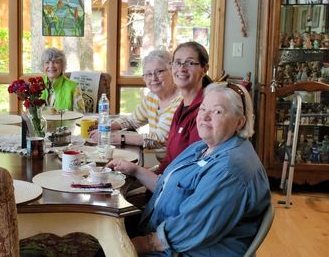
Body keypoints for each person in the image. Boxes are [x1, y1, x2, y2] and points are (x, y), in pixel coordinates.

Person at [107, 83, 271, 256]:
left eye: (217, 112)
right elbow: (170, 188)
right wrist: (135, 170)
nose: (205, 117)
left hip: (185, 250)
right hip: (164, 235)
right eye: (203, 109)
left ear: (239, 122)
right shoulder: (202, 147)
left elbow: (192, 227)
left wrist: (137, 245)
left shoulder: (230, 169)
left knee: (105, 245)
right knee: (107, 226)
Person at [89, 50, 181, 150]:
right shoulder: (152, 97)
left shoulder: (180, 101)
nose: (154, 78)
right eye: (148, 74)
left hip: (178, 163)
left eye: (159, 72)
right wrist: (106, 127)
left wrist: (117, 138)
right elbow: (132, 120)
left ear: (172, 71)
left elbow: (158, 140)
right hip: (162, 161)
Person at [158, 41, 212, 174]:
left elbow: (192, 168)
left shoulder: (205, 112)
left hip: (180, 189)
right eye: (177, 62)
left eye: (190, 63)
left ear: (204, 69)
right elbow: (170, 158)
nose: (182, 68)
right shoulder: (181, 107)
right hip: (165, 181)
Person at [40, 47, 85, 113]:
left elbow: (80, 115)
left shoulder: (74, 87)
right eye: (47, 62)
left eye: (56, 62)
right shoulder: (37, 85)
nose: (51, 66)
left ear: (62, 65)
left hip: (66, 123)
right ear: (43, 66)